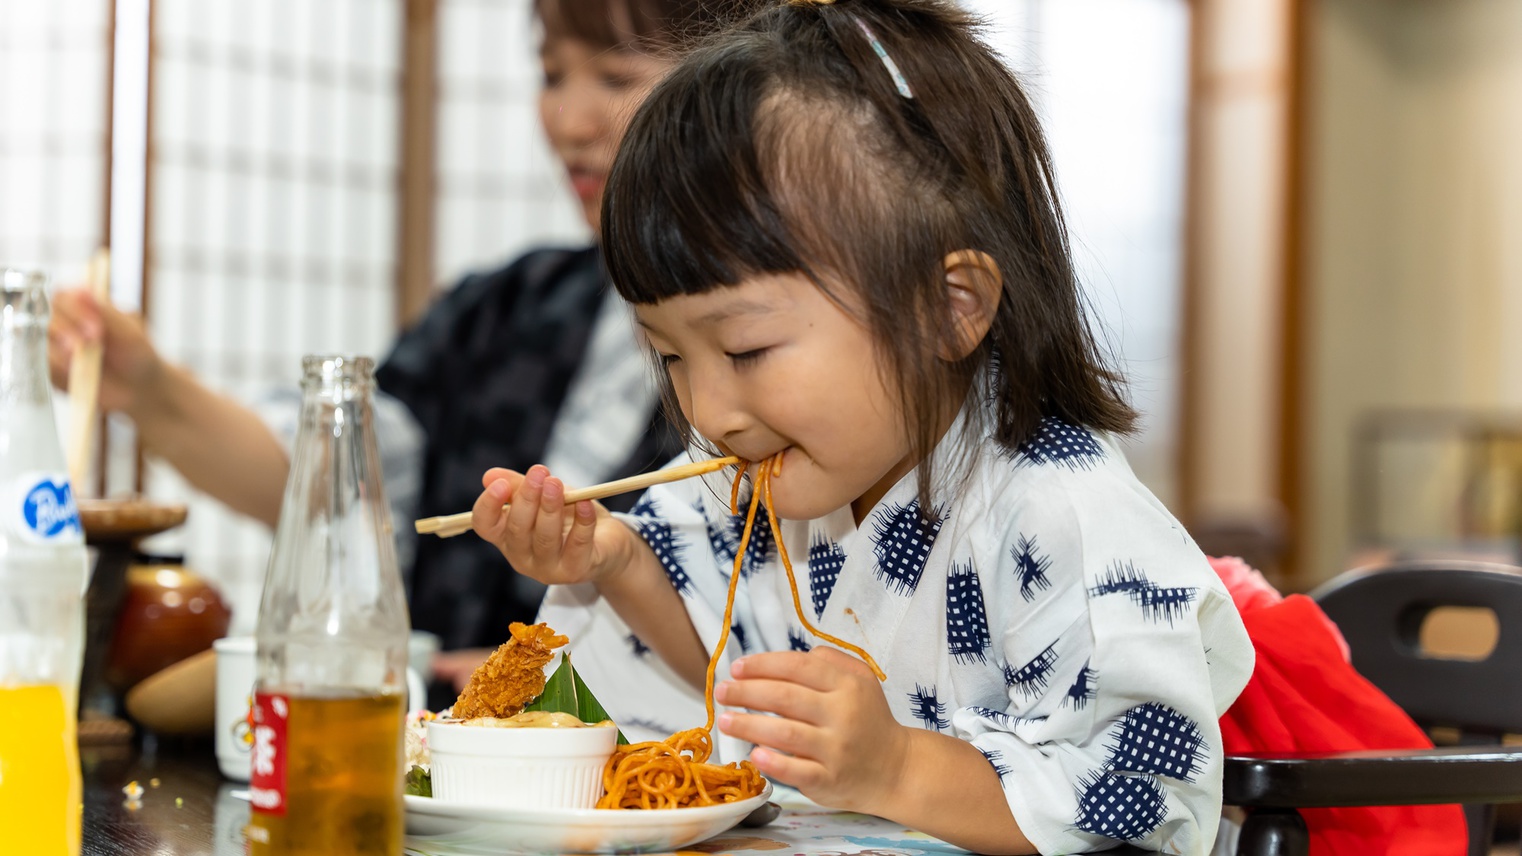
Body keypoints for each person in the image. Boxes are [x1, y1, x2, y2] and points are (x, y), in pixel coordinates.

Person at [469, 1, 1255, 854]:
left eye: (746, 348)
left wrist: (898, 770)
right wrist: (615, 563)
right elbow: (720, 671)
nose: (707, 411)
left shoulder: (1062, 514)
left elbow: (1138, 797)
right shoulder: (772, 470)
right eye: (671, 359)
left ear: (949, 309)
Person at [45, 0, 745, 695]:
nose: (570, 120)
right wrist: (145, 387)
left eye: (616, 77)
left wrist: (588, 675)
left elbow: (766, 634)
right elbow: (337, 471)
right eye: (553, 75)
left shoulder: (784, 352)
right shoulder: (504, 307)